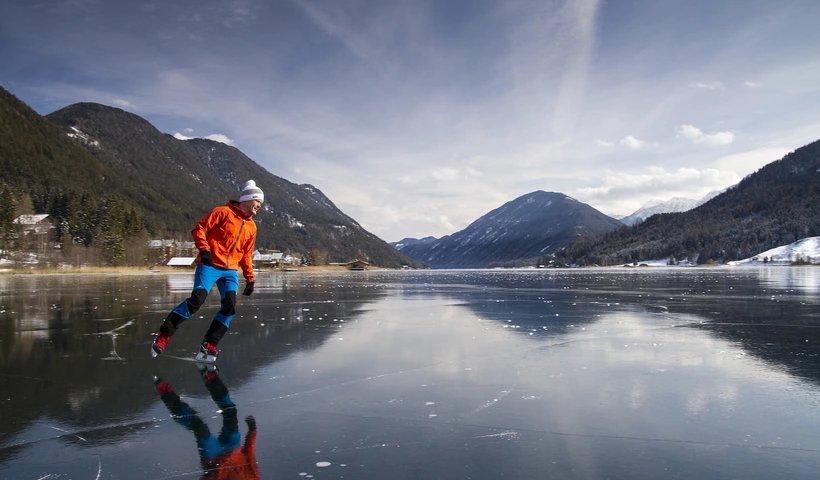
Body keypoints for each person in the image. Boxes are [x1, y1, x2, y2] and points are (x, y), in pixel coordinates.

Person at [151, 180, 263, 362]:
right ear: (248, 199)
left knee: (230, 306)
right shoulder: (223, 213)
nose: (260, 206)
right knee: (197, 300)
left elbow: (246, 254)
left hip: (230, 271)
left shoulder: (252, 227)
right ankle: (164, 335)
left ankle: (209, 344)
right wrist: (204, 250)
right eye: (258, 201)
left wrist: (250, 278)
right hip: (210, 265)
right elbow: (199, 228)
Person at [153, 367, 260, 480]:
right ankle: (211, 378)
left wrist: (209, 475)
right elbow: (250, 458)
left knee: (199, 427)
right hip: (233, 447)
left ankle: (165, 393)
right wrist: (252, 431)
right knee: (231, 412)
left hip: (214, 459)